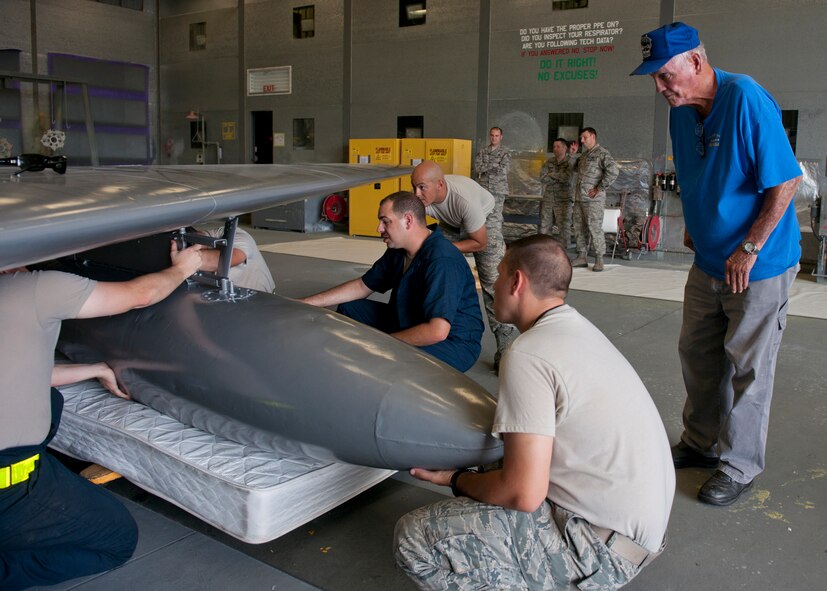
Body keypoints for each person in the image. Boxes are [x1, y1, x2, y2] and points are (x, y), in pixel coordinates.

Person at [394, 235, 674, 590]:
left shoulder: (528, 353)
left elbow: (523, 494)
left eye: (497, 276)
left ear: (517, 282)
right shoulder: (577, 331)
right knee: (495, 463)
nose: (492, 286)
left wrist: (454, 480)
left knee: (414, 537)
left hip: (595, 552)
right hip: (636, 537)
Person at [631, 22, 803, 506]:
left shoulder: (745, 97)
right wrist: (695, 220)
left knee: (749, 364)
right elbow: (694, 172)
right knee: (698, 354)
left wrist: (748, 248)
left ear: (696, 62)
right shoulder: (681, 113)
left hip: (758, 263)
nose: (661, 88)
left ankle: (740, 465)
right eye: (654, 79)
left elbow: (785, 182)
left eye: (665, 76)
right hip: (708, 260)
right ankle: (700, 442)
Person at [0, 241, 203, 590]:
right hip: (11, 484)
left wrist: (96, 369)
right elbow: (139, 295)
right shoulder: (32, 288)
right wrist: (184, 268)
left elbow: (22, 374)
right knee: (115, 541)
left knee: (50, 400)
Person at [300, 191, 483, 372]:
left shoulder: (442, 259)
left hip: (452, 343)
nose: (379, 228)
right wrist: (305, 303)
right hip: (411, 319)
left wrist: (382, 343)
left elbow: (437, 331)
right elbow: (362, 286)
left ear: (408, 221)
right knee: (350, 308)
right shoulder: (398, 250)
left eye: (385, 221)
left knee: (384, 358)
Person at [411, 160, 517, 370]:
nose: (416, 193)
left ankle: (506, 345)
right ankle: (430, 329)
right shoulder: (422, 197)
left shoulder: (463, 200)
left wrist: (446, 248)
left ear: (439, 185)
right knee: (433, 268)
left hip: (485, 218)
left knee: (493, 283)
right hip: (451, 221)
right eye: (413, 186)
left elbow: (480, 242)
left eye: (422, 187)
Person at [572, 127, 619, 272]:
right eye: (581, 138)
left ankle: (599, 258)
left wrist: (599, 188)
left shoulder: (602, 153)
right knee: (579, 227)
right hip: (580, 198)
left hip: (593, 200)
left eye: (584, 137)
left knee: (594, 227)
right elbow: (573, 169)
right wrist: (573, 155)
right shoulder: (585, 155)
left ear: (593, 136)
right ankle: (582, 256)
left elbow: (613, 171)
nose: (582, 140)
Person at [192, 223, 276, 293]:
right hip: (232, 298)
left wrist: (181, 257)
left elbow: (227, 259)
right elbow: (198, 239)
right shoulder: (214, 234)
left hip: (259, 301)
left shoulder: (240, 237)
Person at [539, 138, 575, 247]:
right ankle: (545, 248)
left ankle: (564, 251)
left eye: (558, 146)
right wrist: (558, 176)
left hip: (563, 200)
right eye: (554, 147)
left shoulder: (570, 162)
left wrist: (552, 174)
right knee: (545, 225)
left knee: (564, 226)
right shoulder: (549, 162)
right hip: (549, 198)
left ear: (565, 148)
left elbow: (567, 177)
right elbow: (542, 178)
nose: (555, 149)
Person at [474, 126, 511, 205]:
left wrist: (485, 167)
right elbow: (477, 168)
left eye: (497, 136)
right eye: (492, 135)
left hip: (498, 189)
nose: (494, 138)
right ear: (489, 136)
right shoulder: (483, 151)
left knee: (496, 216)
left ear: (501, 137)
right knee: (484, 214)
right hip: (484, 188)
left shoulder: (505, 152)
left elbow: (504, 170)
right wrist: (494, 165)